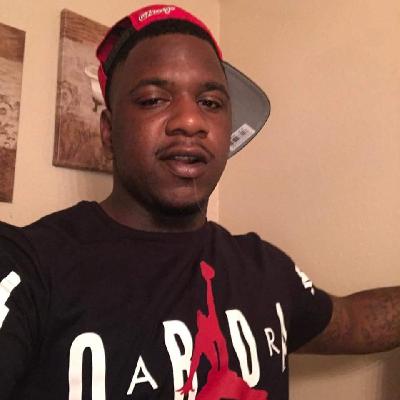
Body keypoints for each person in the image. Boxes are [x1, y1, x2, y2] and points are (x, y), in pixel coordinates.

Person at [0, 4, 398, 399]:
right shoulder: (29, 267)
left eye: (210, 102)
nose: (190, 121)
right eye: (153, 99)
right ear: (108, 131)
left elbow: (355, 321)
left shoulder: (266, 270)